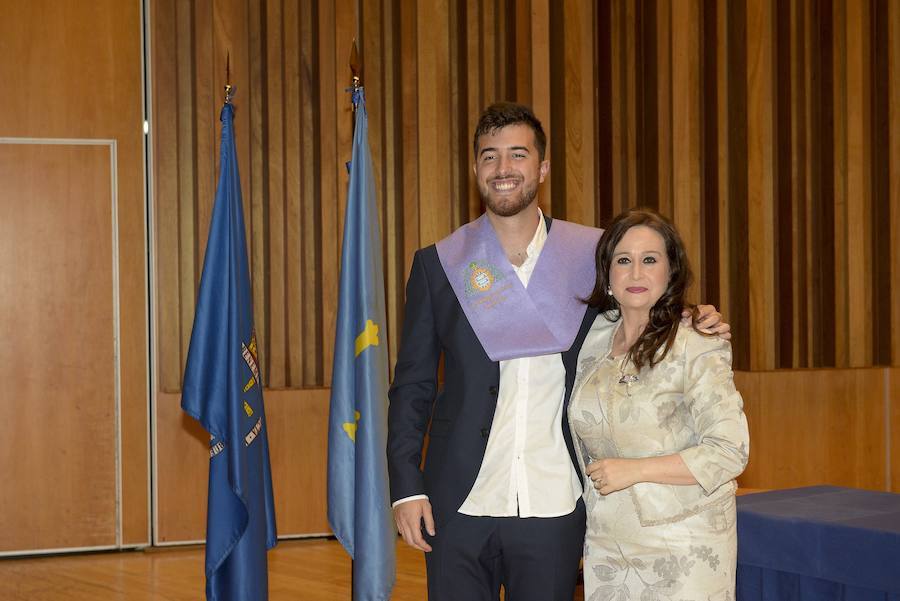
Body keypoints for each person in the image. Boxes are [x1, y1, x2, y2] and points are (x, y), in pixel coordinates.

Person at [387, 102, 730, 601]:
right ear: (475, 168)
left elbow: (639, 304)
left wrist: (692, 316)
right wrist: (407, 487)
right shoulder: (439, 265)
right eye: (489, 157)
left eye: (518, 155)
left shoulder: (589, 257)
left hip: (557, 498)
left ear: (542, 168)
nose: (503, 169)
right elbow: (412, 384)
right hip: (458, 500)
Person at [569, 207, 749, 601]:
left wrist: (634, 471)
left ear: (671, 272)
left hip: (684, 546)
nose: (636, 273)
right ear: (608, 274)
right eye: (623, 260)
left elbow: (729, 451)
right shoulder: (593, 337)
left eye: (650, 260)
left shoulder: (697, 341)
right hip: (607, 543)